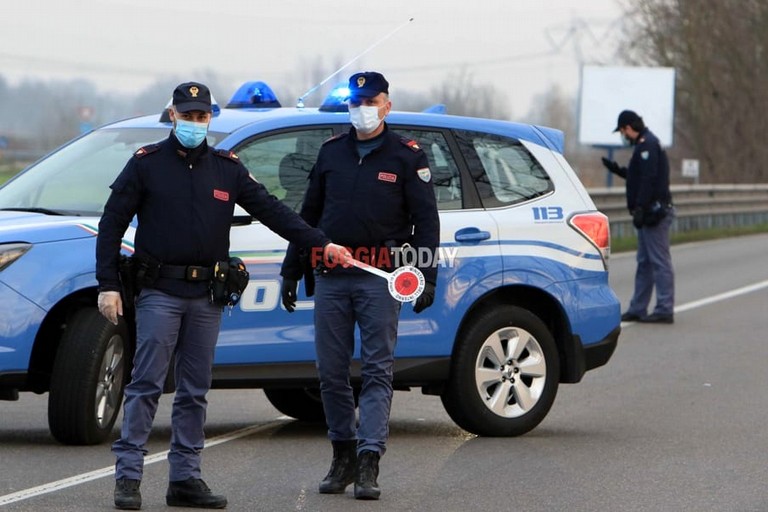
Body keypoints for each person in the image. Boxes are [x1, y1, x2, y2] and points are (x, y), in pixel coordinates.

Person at [96, 81, 349, 510]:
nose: (195, 123)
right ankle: (129, 476)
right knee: (145, 385)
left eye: (202, 116)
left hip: (207, 295)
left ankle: (185, 479)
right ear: (172, 115)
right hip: (159, 291)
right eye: (188, 115)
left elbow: (274, 211)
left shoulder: (227, 169)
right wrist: (108, 286)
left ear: (210, 118)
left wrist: (319, 243)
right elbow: (111, 225)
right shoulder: (146, 164)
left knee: (195, 390)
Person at [280, 71, 440, 500]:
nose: (362, 109)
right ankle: (342, 453)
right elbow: (307, 216)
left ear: (387, 104)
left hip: (381, 278)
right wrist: (292, 269)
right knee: (330, 373)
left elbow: (427, 222)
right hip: (332, 275)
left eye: (370, 101)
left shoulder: (407, 155)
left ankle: (369, 460)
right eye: (356, 102)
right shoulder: (332, 152)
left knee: (376, 371)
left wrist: (426, 275)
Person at [602, 109, 675, 324]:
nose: (623, 136)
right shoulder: (644, 145)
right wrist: (618, 170)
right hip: (648, 211)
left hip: (655, 213)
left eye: (623, 131)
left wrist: (641, 208)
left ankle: (664, 308)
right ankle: (638, 308)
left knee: (659, 261)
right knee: (644, 262)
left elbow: (649, 178)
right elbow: (639, 175)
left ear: (629, 127)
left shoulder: (648, 145)